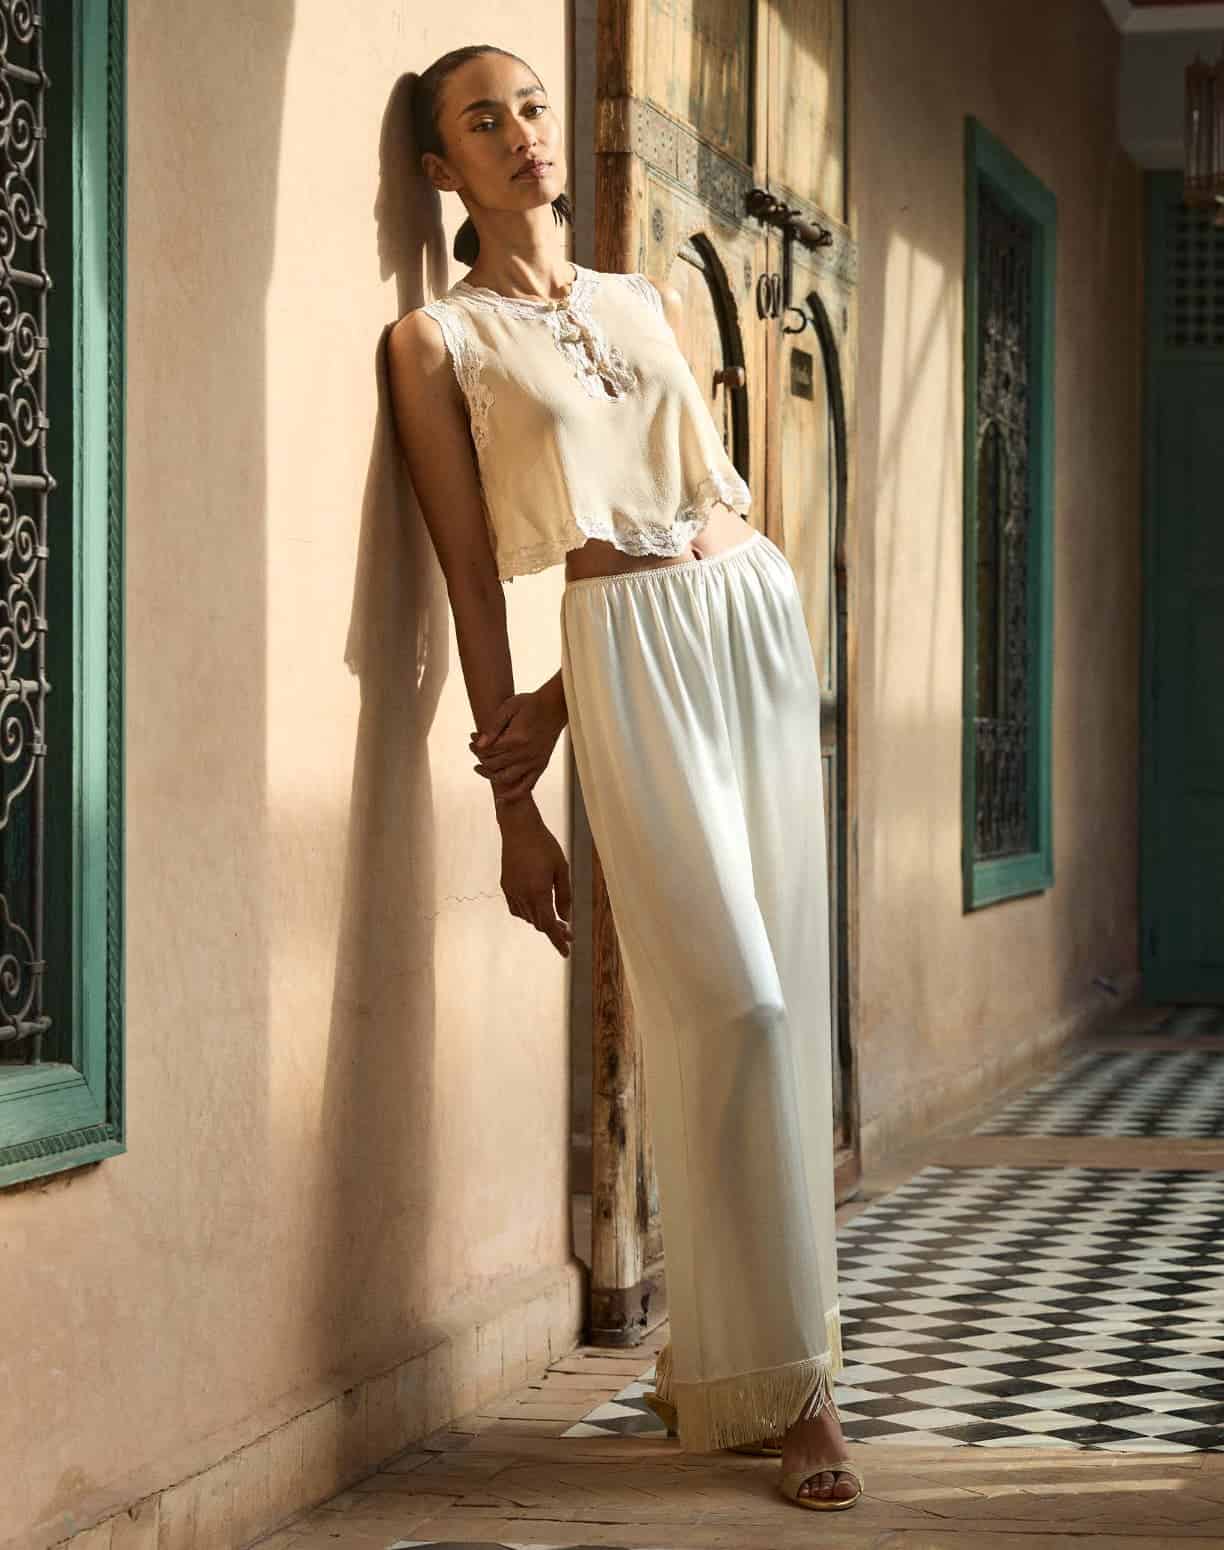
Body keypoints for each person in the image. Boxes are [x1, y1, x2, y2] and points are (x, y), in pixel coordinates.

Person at [386, 43, 863, 1513]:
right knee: (744, 1006)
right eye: (487, 121)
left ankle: (742, 1364)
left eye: (533, 105)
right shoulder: (435, 345)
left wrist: (558, 696)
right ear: (440, 173)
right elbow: (477, 580)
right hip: (634, 662)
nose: (525, 135)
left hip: (750, 621)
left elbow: (699, 494)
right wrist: (516, 805)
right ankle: (799, 1396)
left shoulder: (641, 298)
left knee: (778, 991)